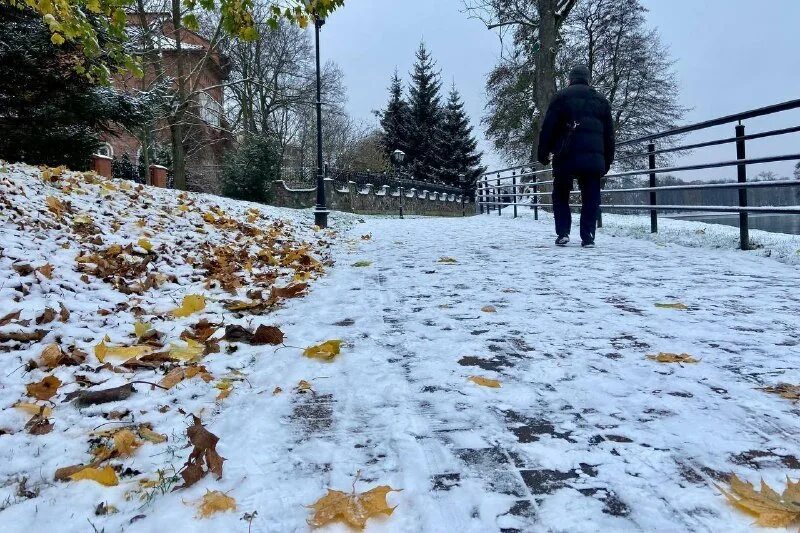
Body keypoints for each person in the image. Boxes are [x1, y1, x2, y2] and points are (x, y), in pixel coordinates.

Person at [537, 65, 615, 248]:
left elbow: (548, 128)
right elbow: (609, 136)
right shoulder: (601, 101)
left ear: (570, 79)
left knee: (561, 194)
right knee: (591, 196)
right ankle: (588, 236)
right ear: (588, 79)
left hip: (565, 155)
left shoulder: (561, 98)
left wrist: (543, 153)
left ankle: (563, 233)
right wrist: (607, 160)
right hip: (593, 159)